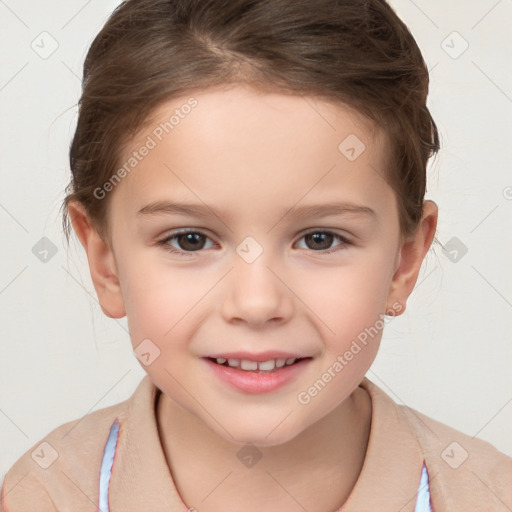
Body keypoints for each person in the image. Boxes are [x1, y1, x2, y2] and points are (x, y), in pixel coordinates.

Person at [1, 0, 510, 510]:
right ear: (105, 261)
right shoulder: (42, 494)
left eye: (320, 239)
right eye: (190, 240)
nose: (258, 302)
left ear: (405, 260)